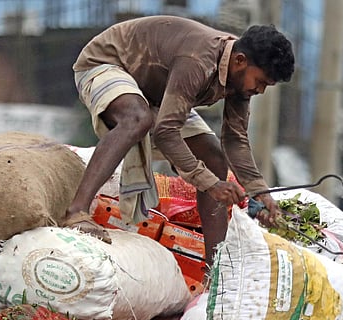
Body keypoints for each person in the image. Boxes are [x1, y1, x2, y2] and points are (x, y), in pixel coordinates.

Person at [65, 17, 294, 258]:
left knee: (214, 158)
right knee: (137, 118)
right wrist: (210, 184)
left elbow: (235, 142)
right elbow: (166, 133)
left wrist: (261, 193)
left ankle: (215, 267)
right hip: (107, 65)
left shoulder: (240, 78)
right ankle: (77, 212)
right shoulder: (198, 60)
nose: (260, 90)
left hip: (156, 92)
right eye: (260, 82)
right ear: (240, 61)